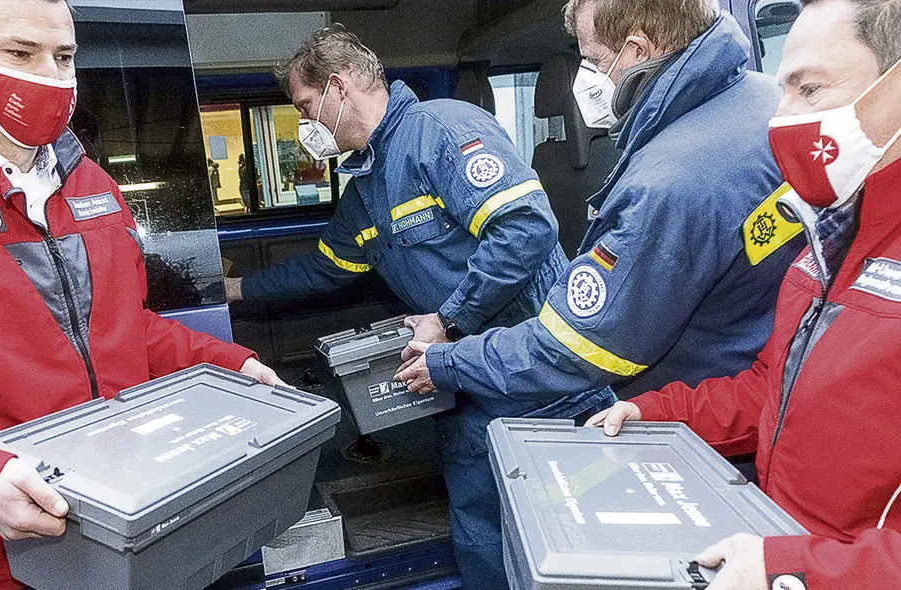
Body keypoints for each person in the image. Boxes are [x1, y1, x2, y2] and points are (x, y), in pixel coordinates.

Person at [0, 0, 283, 587]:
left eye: (64, 56)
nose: (51, 78)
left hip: (137, 526)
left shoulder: (92, 185)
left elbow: (128, 329)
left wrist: (232, 365)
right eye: (21, 53)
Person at [226, 25, 592, 588]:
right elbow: (325, 267)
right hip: (466, 376)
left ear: (338, 87)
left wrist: (447, 319)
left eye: (305, 106)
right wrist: (239, 291)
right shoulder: (367, 186)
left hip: (538, 369)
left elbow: (524, 229)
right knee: (478, 519)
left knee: (562, 521)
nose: (306, 125)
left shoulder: (442, 132)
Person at [586, 0, 901, 588]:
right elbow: (770, 391)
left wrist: (800, 572)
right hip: (774, 535)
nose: (781, 118)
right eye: (784, 89)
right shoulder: (824, 244)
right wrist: (658, 412)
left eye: (810, 89)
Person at [398, 0, 802, 448]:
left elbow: (578, 347)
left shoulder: (668, 184)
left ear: (636, 49)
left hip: (704, 427)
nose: (584, 76)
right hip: (765, 391)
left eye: (591, 59)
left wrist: (448, 363)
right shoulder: (770, 102)